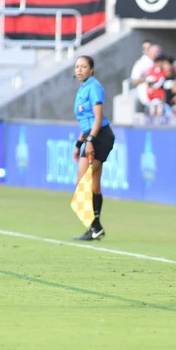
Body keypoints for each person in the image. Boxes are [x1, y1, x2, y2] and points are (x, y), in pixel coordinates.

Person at [72, 56, 116, 241]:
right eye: (77, 67)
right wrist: (79, 142)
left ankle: (95, 226)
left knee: (82, 182)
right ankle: (95, 227)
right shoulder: (84, 88)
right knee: (94, 183)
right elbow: (87, 121)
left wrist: (89, 140)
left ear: (92, 70)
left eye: (84, 66)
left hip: (99, 136)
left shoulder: (94, 87)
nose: (80, 70)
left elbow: (98, 117)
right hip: (92, 136)